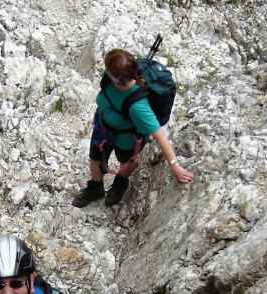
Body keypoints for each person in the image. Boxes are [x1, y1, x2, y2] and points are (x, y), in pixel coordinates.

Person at [73, 48, 194, 208]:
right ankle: (96, 188)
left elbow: (159, 136)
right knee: (95, 158)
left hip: (127, 139)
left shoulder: (138, 106)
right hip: (103, 128)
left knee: (126, 162)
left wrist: (175, 166)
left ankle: (120, 182)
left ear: (116, 77)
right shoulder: (109, 78)